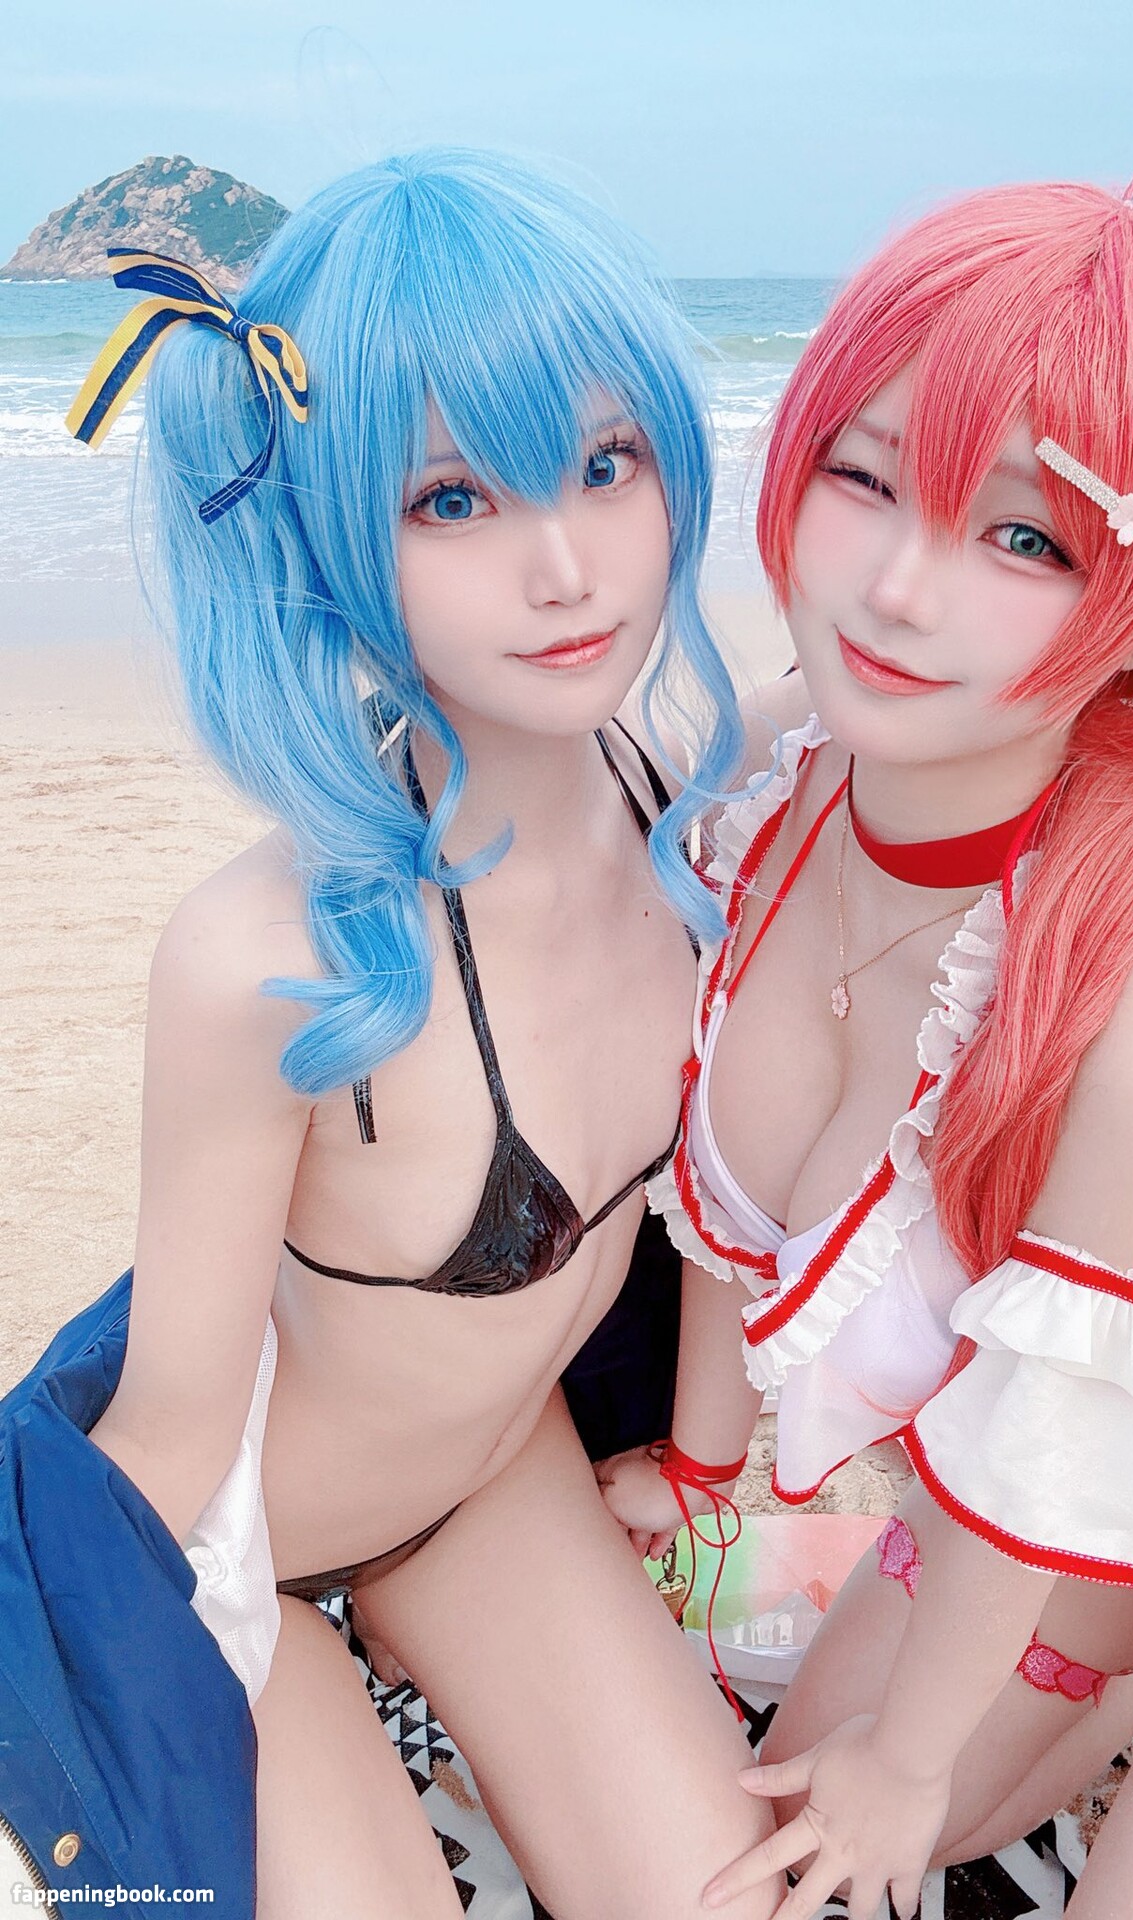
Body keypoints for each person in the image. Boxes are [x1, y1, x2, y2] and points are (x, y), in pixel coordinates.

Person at [601, 126, 1133, 1919]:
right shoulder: (786, 777)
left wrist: (911, 1770)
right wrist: (700, 1477)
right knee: (774, 1795)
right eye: (868, 474)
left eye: (1028, 537)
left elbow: (1049, 1451)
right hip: (1034, 1532)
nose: (900, 591)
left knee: (857, 1815)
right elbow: (715, 1212)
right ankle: (1097, 1687)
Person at [1, 149, 784, 1920]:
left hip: (490, 1489)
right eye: (452, 499)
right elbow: (167, 1458)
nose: (566, 565)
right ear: (329, 530)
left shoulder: (706, 806)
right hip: (232, 1565)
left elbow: (993, 662)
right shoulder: (267, 960)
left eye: (606, 462)